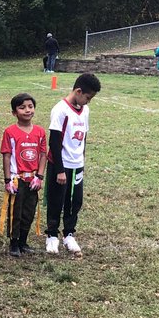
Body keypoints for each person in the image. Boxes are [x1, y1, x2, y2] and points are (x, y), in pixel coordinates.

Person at [45, 73, 101, 254]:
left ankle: (69, 234)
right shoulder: (60, 110)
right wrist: (60, 170)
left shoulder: (85, 110)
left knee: (75, 200)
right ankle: (52, 235)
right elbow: (54, 141)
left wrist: (82, 158)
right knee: (56, 200)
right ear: (78, 91)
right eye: (87, 97)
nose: (88, 101)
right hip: (60, 165)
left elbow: (84, 135)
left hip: (77, 165)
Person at [1, 93, 48, 257]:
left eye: (30, 106)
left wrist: (39, 176)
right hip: (17, 178)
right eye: (22, 108)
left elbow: (43, 155)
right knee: (16, 211)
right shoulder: (10, 132)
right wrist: (8, 180)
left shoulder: (40, 132)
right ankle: (14, 242)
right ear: (15, 112)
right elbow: (6, 156)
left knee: (29, 211)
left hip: (32, 179)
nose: (27, 110)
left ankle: (23, 241)